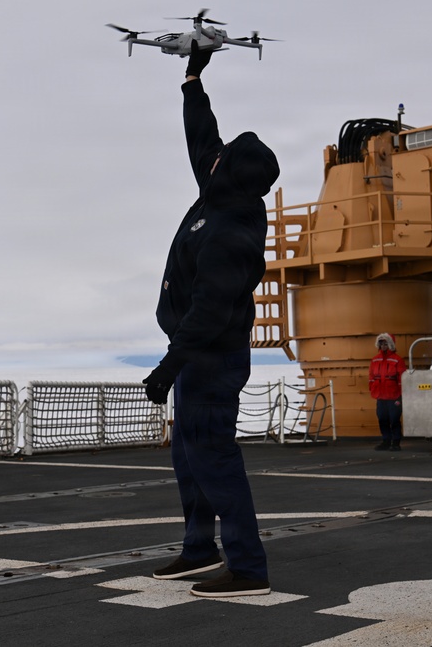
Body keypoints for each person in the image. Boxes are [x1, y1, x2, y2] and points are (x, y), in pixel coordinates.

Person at [142, 41, 279, 598]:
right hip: (195, 358)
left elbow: (208, 312)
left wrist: (167, 367)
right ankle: (200, 548)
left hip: (209, 359)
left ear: (232, 172)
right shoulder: (220, 190)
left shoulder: (231, 232)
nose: (214, 156)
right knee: (189, 457)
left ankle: (247, 568)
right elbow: (202, 136)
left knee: (213, 457)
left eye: (224, 156)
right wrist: (193, 78)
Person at [369, 332, 407, 451]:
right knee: (382, 418)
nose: (383, 346)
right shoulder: (375, 360)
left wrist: (401, 394)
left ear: (391, 344)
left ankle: (396, 442)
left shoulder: (397, 360)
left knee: (394, 419)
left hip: (394, 395)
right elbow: (371, 377)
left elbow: (402, 378)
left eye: (385, 344)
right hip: (380, 395)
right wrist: (372, 388)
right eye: (381, 344)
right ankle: (386, 441)